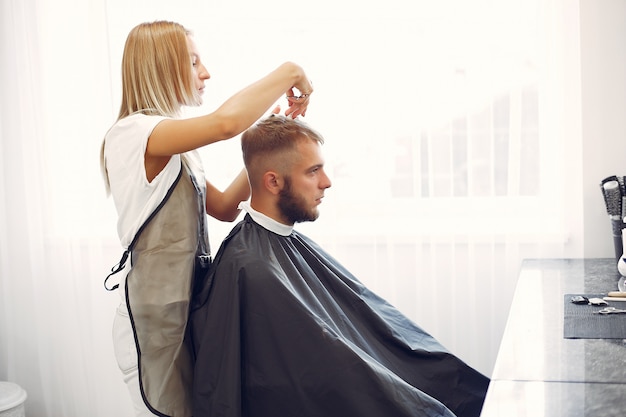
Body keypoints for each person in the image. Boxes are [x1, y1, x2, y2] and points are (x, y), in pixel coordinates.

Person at [190, 115, 490, 417]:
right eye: (313, 171)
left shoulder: (277, 246)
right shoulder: (252, 269)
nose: (327, 182)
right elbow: (334, 372)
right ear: (273, 181)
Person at [100, 21, 313, 417]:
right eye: (194, 61)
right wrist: (290, 70)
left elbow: (225, 207)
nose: (206, 72)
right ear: (161, 67)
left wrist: (273, 142)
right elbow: (224, 125)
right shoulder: (134, 133)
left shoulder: (176, 148)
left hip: (184, 316)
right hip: (154, 329)